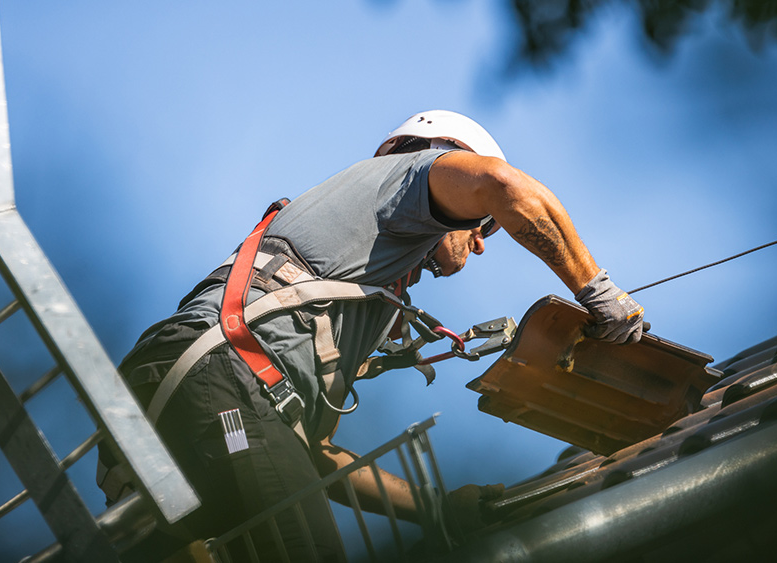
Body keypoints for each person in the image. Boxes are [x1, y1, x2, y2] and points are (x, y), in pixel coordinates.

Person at [98, 110, 645, 561]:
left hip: (189, 400)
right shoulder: (410, 175)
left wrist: (434, 507)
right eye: (484, 227)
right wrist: (596, 290)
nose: (480, 243)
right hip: (224, 387)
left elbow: (312, 455)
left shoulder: (358, 278)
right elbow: (501, 185)